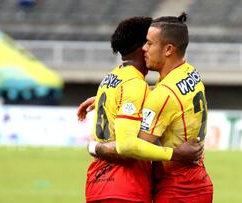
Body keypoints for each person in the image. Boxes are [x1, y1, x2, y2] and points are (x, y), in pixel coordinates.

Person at [80, 12, 213, 203]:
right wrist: (118, 100)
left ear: (168, 49)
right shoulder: (190, 73)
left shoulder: (122, 82)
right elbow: (169, 94)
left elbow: (129, 149)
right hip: (190, 183)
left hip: (175, 189)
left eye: (150, 43)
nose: (145, 48)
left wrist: (92, 146)